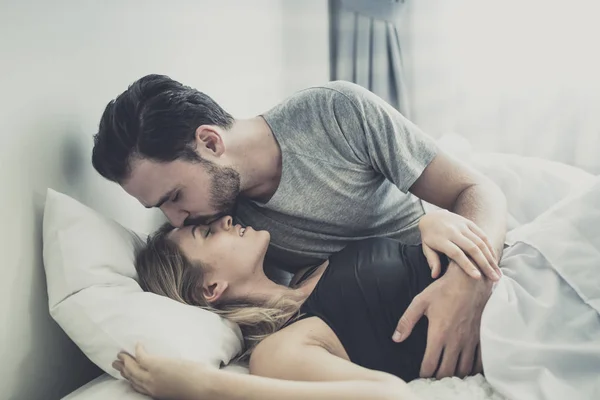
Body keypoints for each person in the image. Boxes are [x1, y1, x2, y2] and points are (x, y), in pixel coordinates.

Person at [92, 74, 508, 378]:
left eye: (174, 197)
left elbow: (475, 189)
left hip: (463, 253)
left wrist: (467, 279)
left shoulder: (335, 112)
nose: (177, 219)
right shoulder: (231, 232)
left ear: (211, 143)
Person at [115, 179, 600, 400]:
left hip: (521, 262)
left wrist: (433, 226)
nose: (224, 219)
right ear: (211, 289)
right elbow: (387, 395)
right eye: (206, 233)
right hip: (527, 316)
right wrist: (203, 387)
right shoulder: (279, 351)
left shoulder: (309, 271)